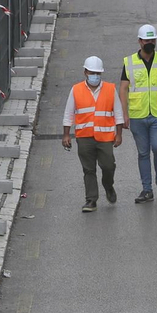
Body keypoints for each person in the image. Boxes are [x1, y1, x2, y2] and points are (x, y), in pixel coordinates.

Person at [120, 23, 157, 202]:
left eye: (152, 40)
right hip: (138, 115)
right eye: (146, 40)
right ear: (140, 41)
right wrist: (124, 114)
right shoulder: (129, 62)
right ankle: (147, 189)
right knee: (143, 153)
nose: (150, 43)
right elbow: (123, 89)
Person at [62, 56, 125, 213]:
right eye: (92, 73)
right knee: (88, 169)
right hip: (84, 137)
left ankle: (108, 186)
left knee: (108, 165)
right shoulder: (76, 90)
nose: (95, 76)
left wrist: (119, 135)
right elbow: (69, 113)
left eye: (98, 73)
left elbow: (118, 113)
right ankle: (91, 200)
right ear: (85, 72)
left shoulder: (110, 89)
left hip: (105, 137)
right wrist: (66, 135)